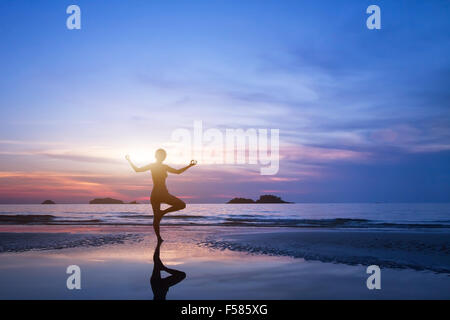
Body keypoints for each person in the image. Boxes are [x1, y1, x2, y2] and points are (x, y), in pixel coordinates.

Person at [126, 149, 196, 242]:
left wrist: (129, 160)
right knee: (181, 205)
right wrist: (189, 165)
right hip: (162, 193)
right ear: (157, 156)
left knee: (157, 217)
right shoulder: (163, 166)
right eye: (162, 155)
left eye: (164, 155)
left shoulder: (154, 166)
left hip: (155, 194)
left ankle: (159, 237)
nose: (163, 157)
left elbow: (137, 170)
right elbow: (178, 172)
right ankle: (161, 221)